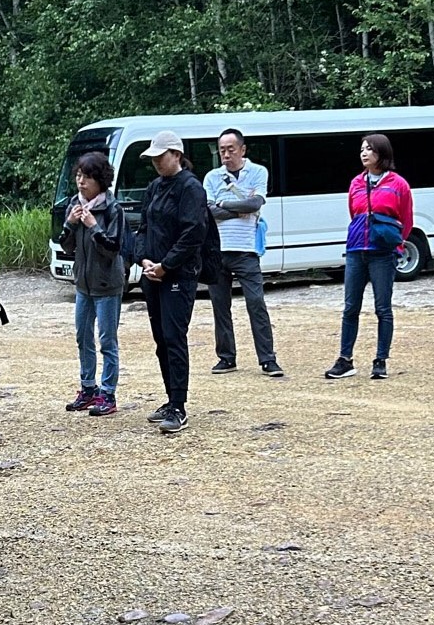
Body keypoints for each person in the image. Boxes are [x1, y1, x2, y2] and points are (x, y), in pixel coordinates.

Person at [135, 131, 208, 435]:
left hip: (178, 276)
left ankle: (179, 405)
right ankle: (169, 398)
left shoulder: (190, 187)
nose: (155, 162)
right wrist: (144, 260)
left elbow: (193, 234)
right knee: (161, 340)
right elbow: (141, 228)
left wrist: (167, 265)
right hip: (153, 274)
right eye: (152, 157)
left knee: (174, 337)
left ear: (176, 155)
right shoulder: (154, 187)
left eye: (160, 156)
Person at [325, 133, 413, 381]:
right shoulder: (356, 182)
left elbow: (406, 220)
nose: (364, 153)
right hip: (356, 251)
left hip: (382, 253)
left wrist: (397, 246)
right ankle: (345, 360)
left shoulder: (398, 184)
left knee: (382, 308)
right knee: (350, 307)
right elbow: (355, 213)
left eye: (369, 149)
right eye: (362, 149)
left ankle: (380, 360)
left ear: (382, 153)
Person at [204, 129, 284, 378]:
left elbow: (255, 204)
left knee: (256, 302)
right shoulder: (212, 177)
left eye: (230, 149)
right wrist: (239, 209)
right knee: (220, 305)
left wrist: (224, 203)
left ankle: (268, 359)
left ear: (242, 149)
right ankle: (226, 357)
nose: (226, 154)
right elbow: (207, 211)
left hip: (246, 249)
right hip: (218, 249)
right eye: (222, 149)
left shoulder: (258, 172)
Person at [58, 151, 126, 417]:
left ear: (100, 180)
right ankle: (88, 388)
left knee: (107, 340)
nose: (81, 181)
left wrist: (94, 226)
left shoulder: (112, 209)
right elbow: (66, 245)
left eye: (87, 177)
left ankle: (108, 394)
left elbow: (113, 249)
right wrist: (71, 224)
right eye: (78, 175)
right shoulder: (74, 204)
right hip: (83, 285)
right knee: (82, 336)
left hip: (107, 285)